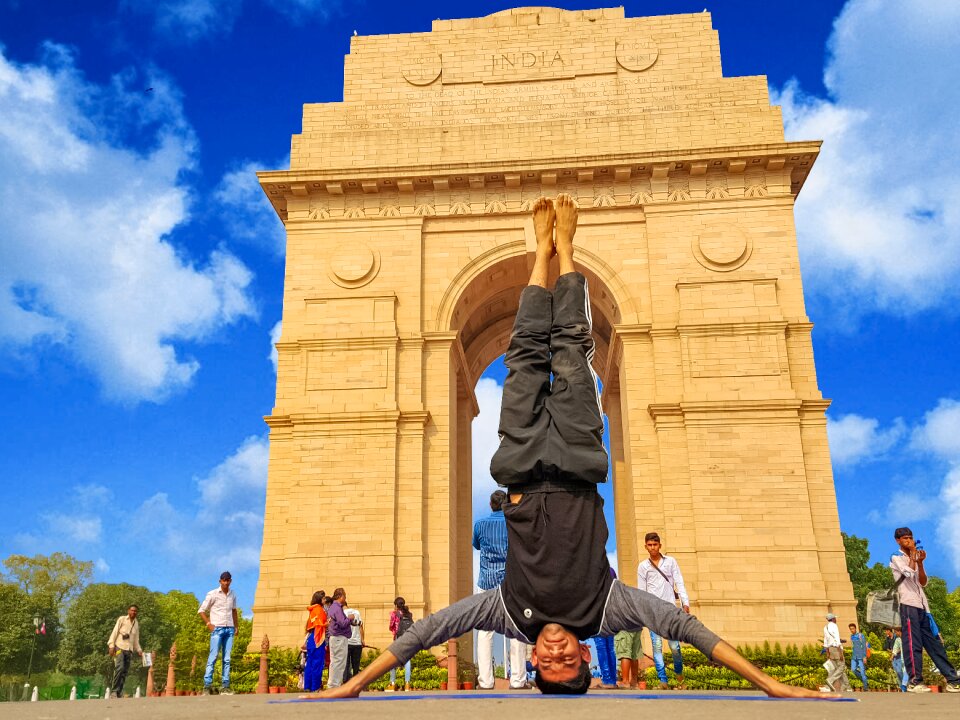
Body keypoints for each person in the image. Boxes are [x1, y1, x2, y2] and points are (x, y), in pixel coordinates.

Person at [306, 195, 834, 700]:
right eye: (569, 662)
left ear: (532, 660)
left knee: (525, 356)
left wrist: (354, 684)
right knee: (574, 350)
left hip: (518, 464)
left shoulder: (506, 614)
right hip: (580, 459)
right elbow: (684, 626)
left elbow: (426, 632)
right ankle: (567, 248)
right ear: (585, 655)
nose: (557, 653)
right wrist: (770, 683)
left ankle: (540, 253)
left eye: (549, 664)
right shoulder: (606, 609)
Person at [890, 527, 960, 692]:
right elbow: (908, 573)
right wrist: (913, 556)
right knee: (913, 644)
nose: (908, 541)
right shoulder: (896, 557)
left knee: (934, 644)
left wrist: (920, 562)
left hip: (922, 606)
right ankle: (915, 681)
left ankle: (952, 679)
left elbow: (922, 582)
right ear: (898, 540)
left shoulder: (913, 557)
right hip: (907, 605)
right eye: (905, 538)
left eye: (910, 538)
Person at [472, 488, 528, 690]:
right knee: (516, 630)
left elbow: (477, 546)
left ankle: (485, 682)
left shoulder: (479, 525)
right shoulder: (514, 524)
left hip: (486, 583)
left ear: (490, 505)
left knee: (485, 633)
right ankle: (518, 680)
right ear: (506, 505)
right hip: (511, 583)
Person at [638, 532, 689, 689]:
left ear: (660, 545)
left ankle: (680, 679)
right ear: (645, 547)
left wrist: (685, 603)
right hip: (653, 612)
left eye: (655, 544)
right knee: (657, 646)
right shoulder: (643, 566)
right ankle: (663, 681)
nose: (652, 547)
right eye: (650, 545)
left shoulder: (670, 562)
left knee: (674, 647)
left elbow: (679, 582)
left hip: (670, 610)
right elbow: (642, 591)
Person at [198, 571, 239, 695]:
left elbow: (234, 611)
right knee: (213, 656)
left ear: (230, 581)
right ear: (220, 581)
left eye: (228, 580)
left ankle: (225, 686)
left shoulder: (232, 594)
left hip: (229, 628)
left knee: (227, 658)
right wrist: (208, 624)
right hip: (217, 628)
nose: (226, 582)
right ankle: (207, 685)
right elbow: (201, 610)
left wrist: (236, 626)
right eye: (223, 580)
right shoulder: (213, 594)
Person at [590, 567, 620, 689]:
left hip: (597, 613)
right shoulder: (610, 570)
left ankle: (607, 680)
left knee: (601, 646)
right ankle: (612, 680)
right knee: (609, 647)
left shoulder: (591, 571)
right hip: (610, 613)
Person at [107, 604, 142, 698]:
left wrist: (139, 650)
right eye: (132, 610)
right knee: (120, 667)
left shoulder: (136, 623)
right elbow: (114, 632)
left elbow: (136, 639)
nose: (133, 612)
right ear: (128, 611)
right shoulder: (122, 619)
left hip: (129, 650)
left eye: (135, 611)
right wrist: (111, 645)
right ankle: (114, 691)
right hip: (119, 647)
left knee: (124, 671)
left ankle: (119, 692)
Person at [326, 588, 354, 689]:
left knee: (335, 661)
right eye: (344, 596)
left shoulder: (333, 607)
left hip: (335, 637)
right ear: (340, 596)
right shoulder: (337, 608)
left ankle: (334, 684)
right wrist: (349, 618)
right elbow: (342, 623)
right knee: (339, 662)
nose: (345, 598)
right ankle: (334, 685)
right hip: (339, 637)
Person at [303, 591, 328, 692]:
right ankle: (315, 687)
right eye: (323, 598)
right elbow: (319, 624)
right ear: (319, 599)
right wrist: (326, 624)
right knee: (317, 664)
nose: (324, 600)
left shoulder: (312, 610)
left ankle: (307, 686)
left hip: (311, 639)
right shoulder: (319, 609)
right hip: (318, 638)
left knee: (310, 663)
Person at [387, 597, 414, 691]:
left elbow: (391, 627)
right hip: (407, 638)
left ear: (395, 605)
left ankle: (392, 683)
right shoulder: (409, 614)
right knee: (407, 660)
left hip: (398, 639)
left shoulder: (394, 614)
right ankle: (407, 684)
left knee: (393, 659)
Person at [822, 613, 850, 692]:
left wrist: (828, 653)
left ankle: (847, 687)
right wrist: (840, 652)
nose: (836, 619)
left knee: (837, 669)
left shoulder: (825, 627)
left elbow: (826, 641)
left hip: (830, 650)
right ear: (833, 619)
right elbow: (837, 639)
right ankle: (830, 680)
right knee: (841, 667)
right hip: (836, 649)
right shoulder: (834, 626)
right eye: (835, 618)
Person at [342, 602, 364, 683]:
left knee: (346, 664)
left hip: (347, 642)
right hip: (357, 642)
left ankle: (346, 683)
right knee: (356, 665)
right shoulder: (357, 612)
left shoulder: (342, 613)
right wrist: (362, 639)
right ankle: (356, 682)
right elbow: (361, 626)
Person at [848, 623, 869, 691]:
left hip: (861, 657)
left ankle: (865, 687)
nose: (852, 630)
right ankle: (864, 680)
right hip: (854, 657)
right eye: (850, 629)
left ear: (855, 628)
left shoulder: (860, 635)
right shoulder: (851, 636)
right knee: (853, 670)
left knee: (862, 672)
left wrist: (864, 657)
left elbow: (864, 646)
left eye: (853, 629)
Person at [892, 627, 908, 692]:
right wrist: (892, 656)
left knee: (906, 672)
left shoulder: (907, 637)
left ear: (899, 631)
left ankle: (904, 685)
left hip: (909, 658)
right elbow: (895, 648)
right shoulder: (898, 639)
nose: (895, 633)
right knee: (904, 672)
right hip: (902, 659)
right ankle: (904, 687)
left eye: (896, 632)